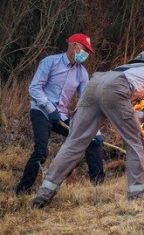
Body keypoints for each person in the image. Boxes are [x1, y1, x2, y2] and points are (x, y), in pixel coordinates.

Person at [31, 51, 144, 208]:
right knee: (134, 141)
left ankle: (44, 192)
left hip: (94, 84)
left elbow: (116, 106)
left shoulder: (123, 68)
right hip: (116, 88)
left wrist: (140, 115)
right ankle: (137, 192)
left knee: (74, 141)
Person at [16, 33, 105, 195]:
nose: (85, 54)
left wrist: (94, 129)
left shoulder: (82, 73)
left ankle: (99, 187)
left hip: (61, 116)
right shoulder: (50, 62)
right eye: (84, 50)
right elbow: (34, 88)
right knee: (41, 150)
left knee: (93, 141)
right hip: (41, 111)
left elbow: (85, 102)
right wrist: (50, 109)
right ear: (74, 45)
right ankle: (22, 190)